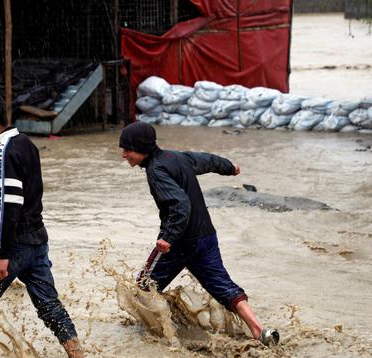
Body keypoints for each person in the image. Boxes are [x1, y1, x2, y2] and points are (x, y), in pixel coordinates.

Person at [0, 90, 91, 358]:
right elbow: (10, 197)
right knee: (51, 308)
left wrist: (1, 254)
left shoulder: (2, 151)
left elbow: (9, 207)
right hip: (37, 239)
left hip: (13, 245)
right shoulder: (25, 143)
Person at [119, 121, 279, 346]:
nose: (124, 155)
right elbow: (207, 160)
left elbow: (180, 204)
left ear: (142, 147)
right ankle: (259, 330)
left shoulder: (155, 170)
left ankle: (154, 333)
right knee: (223, 286)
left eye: (127, 150)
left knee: (145, 286)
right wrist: (229, 167)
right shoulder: (177, 157)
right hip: (205, 237)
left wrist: (168, 238)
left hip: (178, 243)